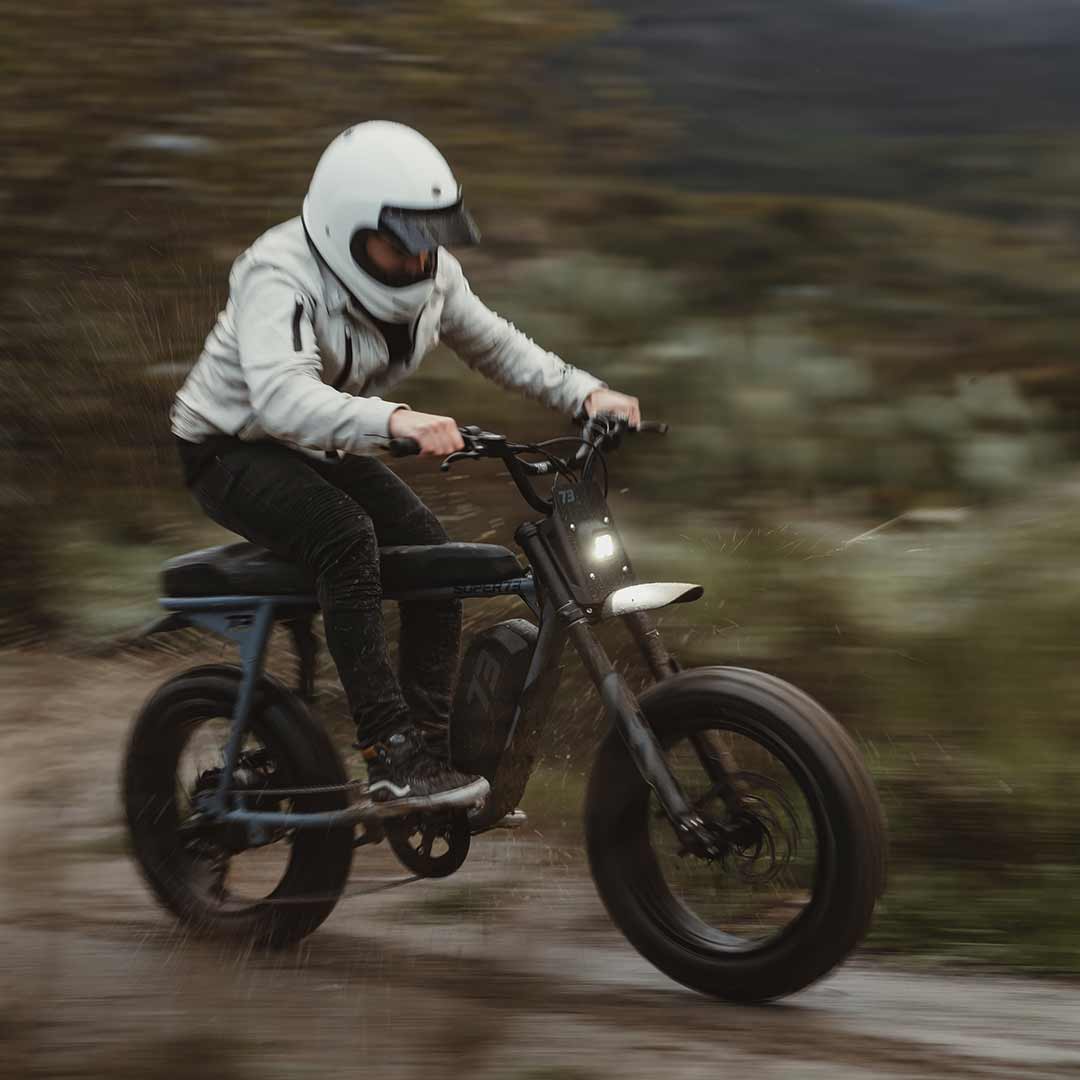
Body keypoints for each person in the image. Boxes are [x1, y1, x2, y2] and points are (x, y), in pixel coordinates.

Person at [171, 120, 640, 816]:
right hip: (229, 447)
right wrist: (394, 421)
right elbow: (280, 399)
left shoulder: (432, 276)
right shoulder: (279, 274)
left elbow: (499, 348)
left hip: (322, 440)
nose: (423, 256)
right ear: (345, 230)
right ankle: (389, 754)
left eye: (432, 237)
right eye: (404, 241)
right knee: (344, 536)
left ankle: (428, 743)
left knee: (430, 548)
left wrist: (585, 392)